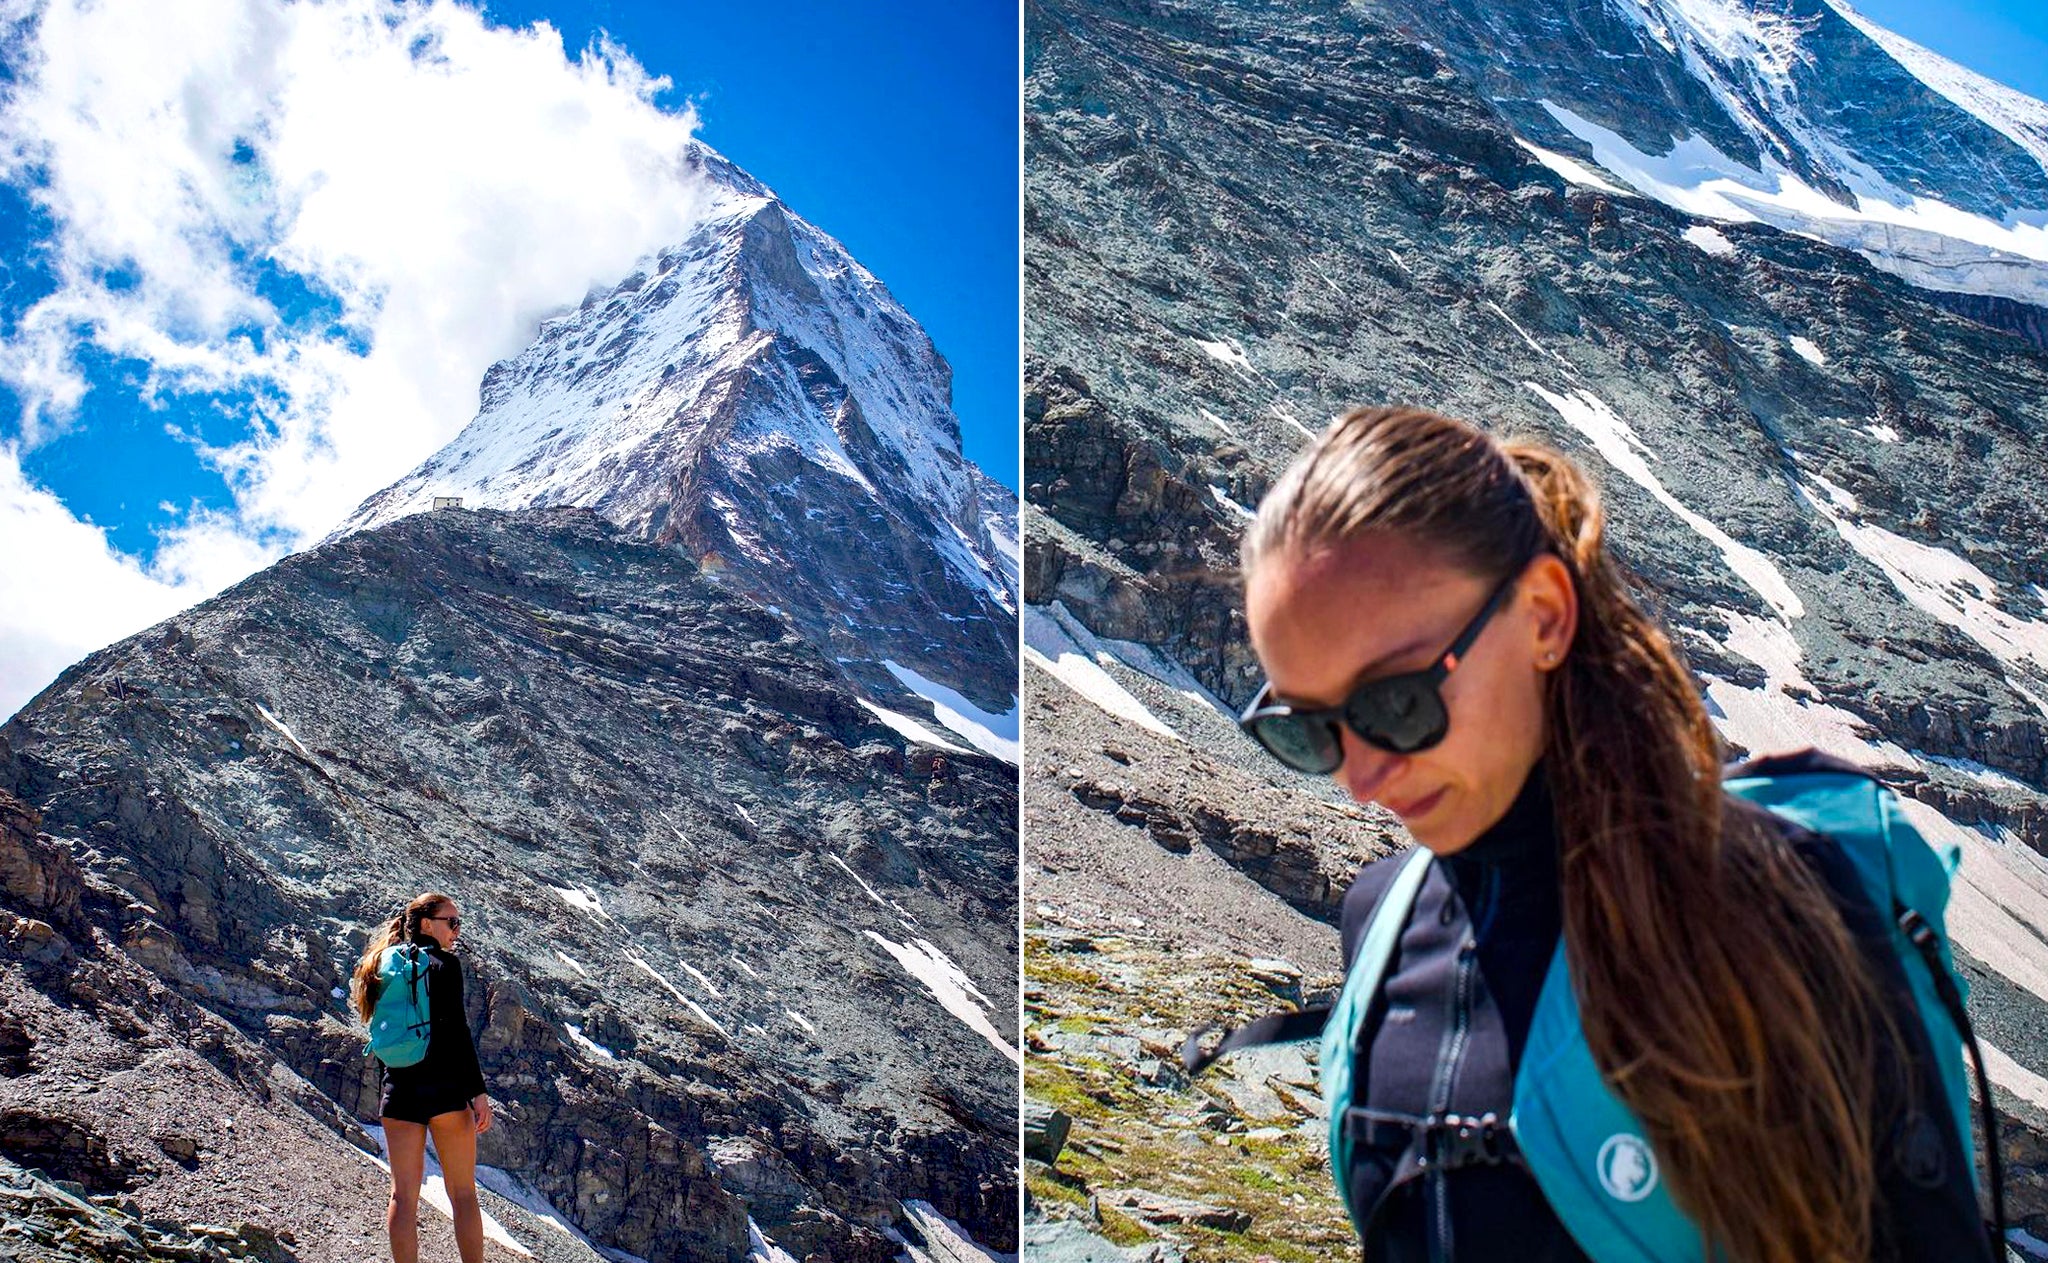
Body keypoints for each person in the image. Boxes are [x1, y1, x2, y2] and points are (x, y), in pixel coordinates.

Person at [1230, 405, 1991, 1262]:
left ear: (1545, 617)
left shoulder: (1778, 898)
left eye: (1396, 704)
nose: (1362, 780)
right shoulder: (1379, 918)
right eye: (1310, 730)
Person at [350, 891, 493, 1263]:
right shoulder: (445, 965)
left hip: (398, 1090)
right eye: (452, 922)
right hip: (444, 1089)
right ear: (428, 924)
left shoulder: (384, 964)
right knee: (463, 1194)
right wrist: (477, 1092)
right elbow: (458, 1032)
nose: (457, 931)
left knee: (402, 1196)